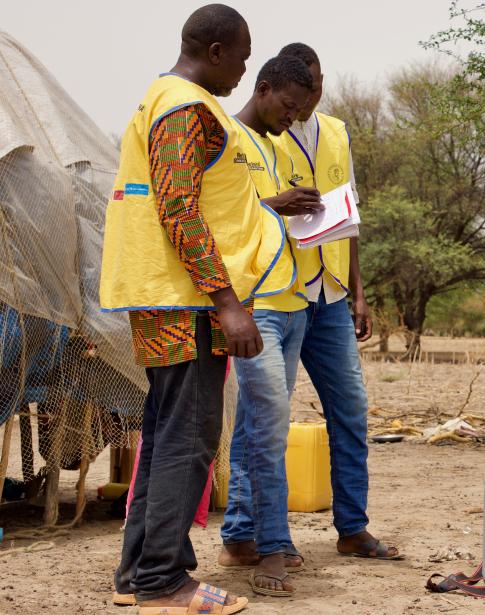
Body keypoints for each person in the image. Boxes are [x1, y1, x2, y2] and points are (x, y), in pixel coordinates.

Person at [100, 4, 294, 612]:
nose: (243, 67)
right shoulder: (184, 106)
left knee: (164, 433)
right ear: (215, 52)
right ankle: (164, 580)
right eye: (241, 55)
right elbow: (178, 208)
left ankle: (139, 573)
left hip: (173, 294)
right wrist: (227, 302)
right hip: (186, 299)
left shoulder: (168, 100)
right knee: (189, 436)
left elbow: (204, 198)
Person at [275, 42, 400, 560]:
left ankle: (353, 528)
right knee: (267, 419)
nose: (314, 92)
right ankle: (254, 536)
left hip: (331, 296)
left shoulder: (337, 132)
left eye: (320, 82)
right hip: (280, 294)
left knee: (350, 411)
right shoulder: (262, 131)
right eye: (306, 83)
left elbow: (349, 217)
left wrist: (360, 293)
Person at [217, 55, 323, 598]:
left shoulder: (282, 146)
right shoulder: (227, 138)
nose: (293, 117)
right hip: (252, 303)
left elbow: (269, 219)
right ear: (262, 90)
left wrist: (306, 210)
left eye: (301, 110)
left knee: (258, 424)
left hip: (292, 301)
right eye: (287, 106)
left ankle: (238, 534)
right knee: (272, 426)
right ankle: (274, 544)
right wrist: (274, 204)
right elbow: (216, 217)